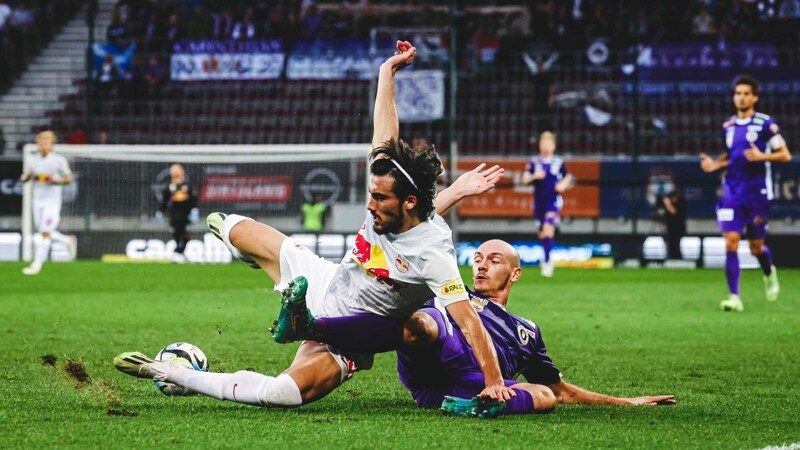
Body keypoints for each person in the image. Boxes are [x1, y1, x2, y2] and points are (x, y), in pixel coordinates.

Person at [113, 40, 515, 408]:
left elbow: (467, 318)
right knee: (228, 223)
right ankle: (278, 282)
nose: (368, 204)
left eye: (378, 199)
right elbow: (385, 135)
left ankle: (175, 374)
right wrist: (386, 74)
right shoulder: (401, 199)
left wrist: (494, 380)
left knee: (281, 394)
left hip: (349, 333)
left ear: (408, 202)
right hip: (323, 279)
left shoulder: (433, 254)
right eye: (371, 194)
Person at [699, 75, 792, 312]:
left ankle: (769, 272)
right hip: (732, 191)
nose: (741, 97)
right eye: (738, 93)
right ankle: (734, 297)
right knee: (730, 241)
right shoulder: (727, 126)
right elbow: (732, 155)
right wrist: (715, 165)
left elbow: (785, 155)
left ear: (755, 97)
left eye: (746, 93)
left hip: (757, 192)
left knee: (755, 247)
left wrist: (763, 156)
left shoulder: (766, 124)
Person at [19, 131, 76, 275]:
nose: (43, 145)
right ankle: (67, 240)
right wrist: (26, 176)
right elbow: (26, 176)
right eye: (41, 142)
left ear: (52, 145)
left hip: (52, 201)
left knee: (45, 232)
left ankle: (36, 265)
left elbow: (68, 179)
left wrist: (57, 180)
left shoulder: (59, 160)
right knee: (44, 231)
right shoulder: (32, 159)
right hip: (37, 200)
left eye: (46, 142)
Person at [521, 131, 573, 277]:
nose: (545, 145)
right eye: (543, 142)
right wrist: (533, 176)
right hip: (539, 202)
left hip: (553, 201)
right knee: (542, 233)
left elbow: (567, 176)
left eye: (548, 143)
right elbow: (524, 179)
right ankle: (547, 255)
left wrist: (562, 184)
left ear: (554, 146)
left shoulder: (558, 162)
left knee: (548, 228)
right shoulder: (534, 162)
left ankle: (548, 262)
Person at [157, 163, 198, 264]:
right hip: (173, 215)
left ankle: (177, 253)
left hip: (186, 215)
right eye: (173, 170)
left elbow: (194, 199)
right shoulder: (169, 187)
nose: (175, 172)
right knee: (176, 234)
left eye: (177, 169)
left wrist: (194, 209)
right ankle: (179, 253)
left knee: (186, 235)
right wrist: (160, 212)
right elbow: (164, 201)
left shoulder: (187, 186)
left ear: (182, 171)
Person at [662, 190, 686, 259]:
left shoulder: (680, 203)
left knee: (676, 245)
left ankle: (678, 259)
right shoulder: (671, 204)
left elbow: (674, 212)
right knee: (670, 245)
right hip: (670, 229)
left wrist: (668, 204)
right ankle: (671, 258)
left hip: (678, 229)